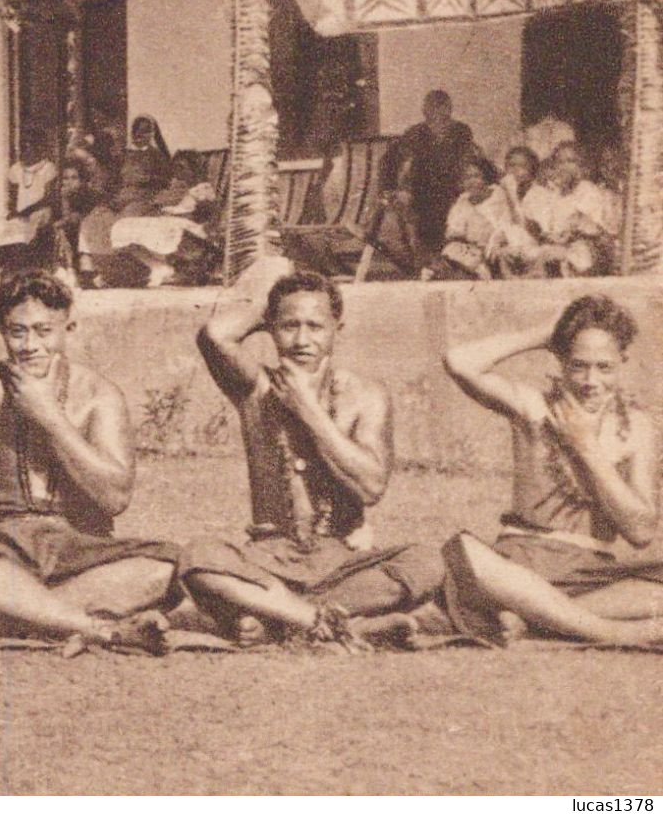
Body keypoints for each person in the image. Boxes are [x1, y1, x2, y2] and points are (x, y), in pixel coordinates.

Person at [178, 259, 445, 646]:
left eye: (316, 326)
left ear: (338, 329)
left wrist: (310, 411)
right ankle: (322, 620)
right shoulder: (256, 388)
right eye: (289, 326)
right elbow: (215, 334)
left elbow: (371, 486)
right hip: (267, 558)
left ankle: (275, 617)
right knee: (198, 557)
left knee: (425, 562)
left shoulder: (367, 395)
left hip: (341, 560)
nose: (302, 340)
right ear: (270, 328)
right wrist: (270, 294)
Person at [0, 272, 179, 653]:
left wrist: (50, 416)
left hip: (80, 549)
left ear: (69, 327)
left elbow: (115, 498)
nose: (30, 345)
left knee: (169, 566)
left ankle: (10, 618)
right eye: (17, 331)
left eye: (44, 331)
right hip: (3, 545)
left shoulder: (100, 395)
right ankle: (94, 627)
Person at [441, 296, 663, 646]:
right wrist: (543, 333)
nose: (591, 381)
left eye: (604, 368)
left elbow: (641, 530)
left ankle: (538, 620)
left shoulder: (636, 426)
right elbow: (459, 361)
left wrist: (586, 448)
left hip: (591, 576)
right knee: (465, 551)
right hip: (521, 563)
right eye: (578, 366)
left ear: (623, 361)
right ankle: (612, 632)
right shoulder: (534, 407)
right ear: (559, 361)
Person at [383, 90, 479, 264]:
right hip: (421, 191)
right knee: (419, 214)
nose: (438, 115)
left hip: (451, 189)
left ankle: (444, 258)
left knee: (452, 211)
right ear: (425, 112)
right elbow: (392, 162)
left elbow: (469, 160)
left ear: (450, 110)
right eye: (432, 109)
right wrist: (397, 189)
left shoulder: (460, 131)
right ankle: (426, 258)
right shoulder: (415, 133)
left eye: (443, 109)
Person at [521, 143, 619, 276]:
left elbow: (592, 228)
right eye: (560, 162)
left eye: (570, 161)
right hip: (559, 244)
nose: (564, 167)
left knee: (559, 255)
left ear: (582, 167)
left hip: (585, 247)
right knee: (531, 253)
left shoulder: (587, 190)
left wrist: (567, 236)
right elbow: (547, 226)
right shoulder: (554, 195)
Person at [423, 156, 514, 280]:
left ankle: (476, 268)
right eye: (466, 178)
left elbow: (505, 224)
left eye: (476, 176)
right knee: (452, 250)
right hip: (470, 248)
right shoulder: (462, 202)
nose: (472, 182)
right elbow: (454, 231)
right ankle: (473, 268)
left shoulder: (497, 196)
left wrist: (494, 241)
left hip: (494, 245)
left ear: (485, 177)